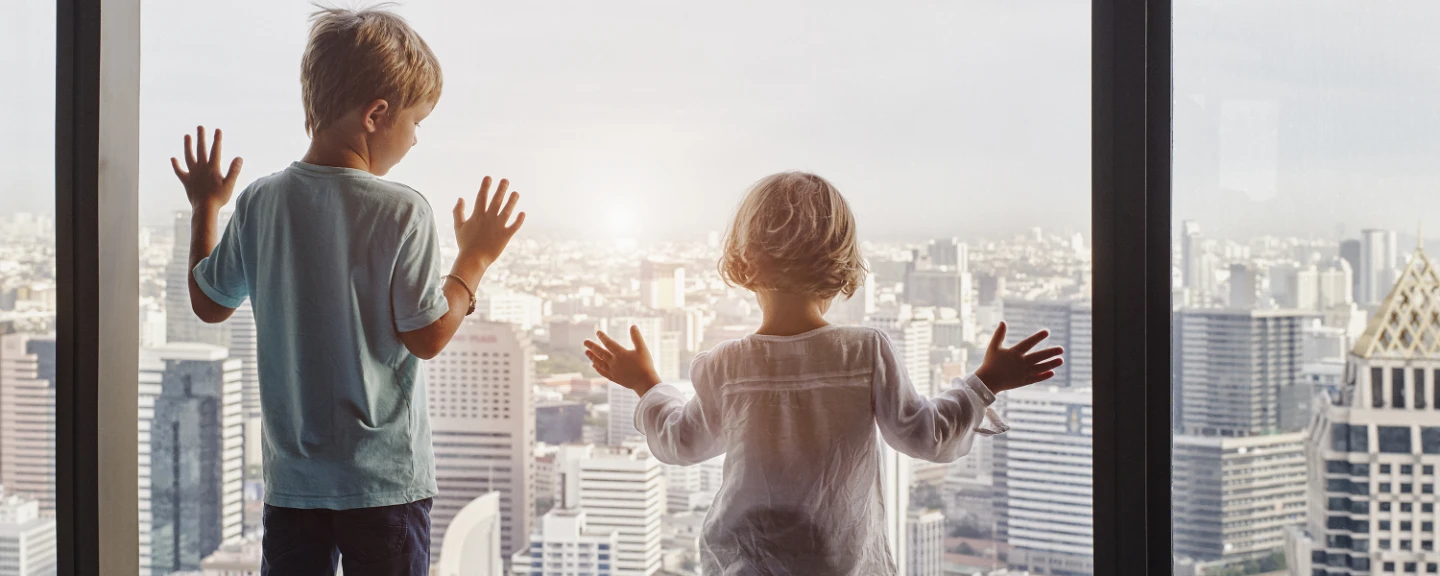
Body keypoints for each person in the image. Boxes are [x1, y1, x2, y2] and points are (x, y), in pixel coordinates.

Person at [169, 7, 525, 575]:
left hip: (292, 487)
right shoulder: (401, 210)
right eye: (415, 121)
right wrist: (474, 259)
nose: (415, 139)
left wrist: (205, 207)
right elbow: (428, 334)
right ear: (376, 115)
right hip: (383, 485)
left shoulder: (260, 202)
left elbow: (208, 302)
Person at [584, 171, 1061, 575]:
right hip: (842, 562)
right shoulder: (864, 352)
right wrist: (984, 383)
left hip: (745, 561)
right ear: (839, 266)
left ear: (745, 260)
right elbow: (927, 436)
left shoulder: (726, 365)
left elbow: (681, 442)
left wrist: (644, 382)